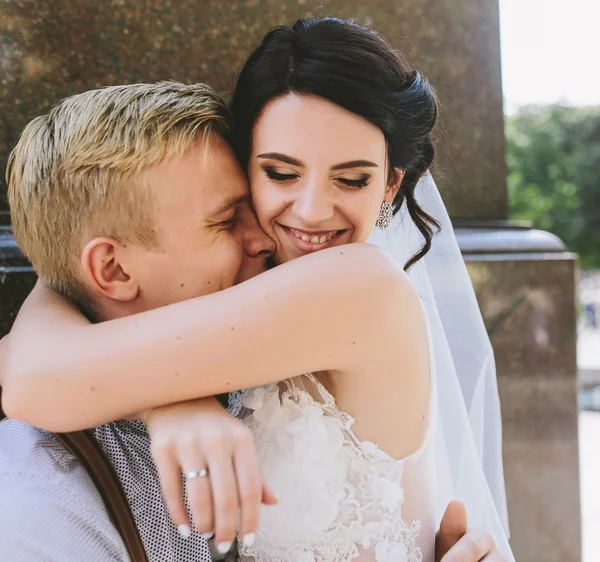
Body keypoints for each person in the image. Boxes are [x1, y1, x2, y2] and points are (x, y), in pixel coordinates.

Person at [0, 19, 511, 562]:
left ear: (390, 183)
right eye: (281, 173)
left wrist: (166, 402)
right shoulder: (247, 286)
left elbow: (39, 376)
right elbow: (51, 311)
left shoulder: (363, 286)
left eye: (352, 178)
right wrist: (175, 405)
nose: (312, 210)